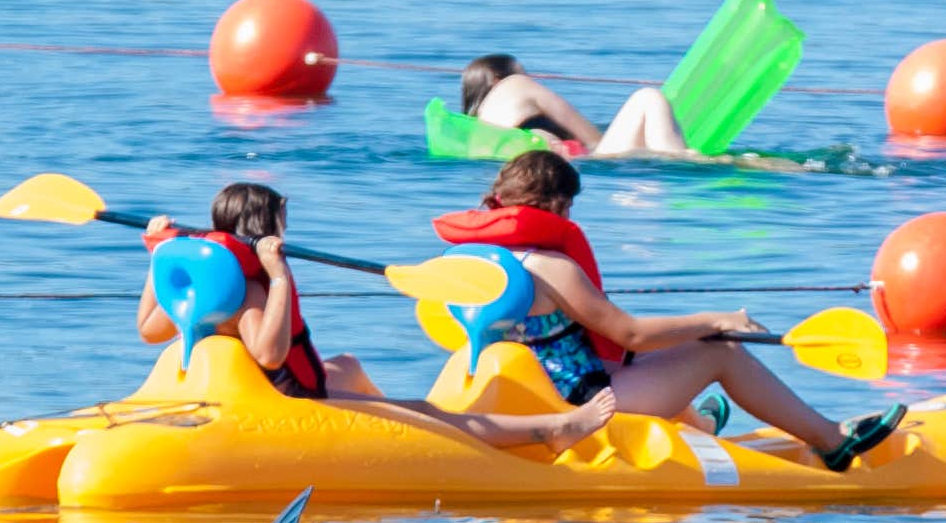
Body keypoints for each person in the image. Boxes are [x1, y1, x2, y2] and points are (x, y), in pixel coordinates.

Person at [439, 150, 907, 469]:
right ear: (558, 206)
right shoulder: (550, 266)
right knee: (718, 352)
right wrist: (718, 321)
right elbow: (631, 334)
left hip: (531, 390)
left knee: (667, 351)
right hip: (583, 403)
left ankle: (702, 426)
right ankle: (832, 442)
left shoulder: (474, 261)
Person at [137, 178, 606, 451]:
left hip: (250, 388)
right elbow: (272, 354)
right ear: (273, 222)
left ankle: (373, 414)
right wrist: (278, 276)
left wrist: (156, 262)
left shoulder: (203, 289)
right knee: (426, 411)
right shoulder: (254, 288)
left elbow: (149, 329)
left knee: (349, 365)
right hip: (295, 402)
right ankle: (554, 429)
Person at [460, 53, 690, 160]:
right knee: (648, 97)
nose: (530, 79)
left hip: (548, 169)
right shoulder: (515, 85)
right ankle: (682, 158)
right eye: (525, 73)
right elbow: (591, 138)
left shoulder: (478, 122)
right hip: (587, 162)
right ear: (499, 79)